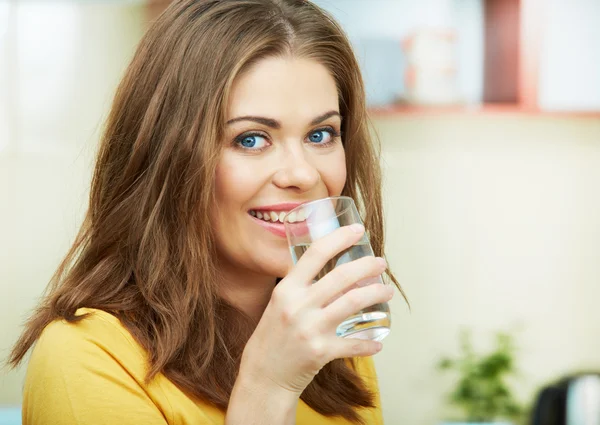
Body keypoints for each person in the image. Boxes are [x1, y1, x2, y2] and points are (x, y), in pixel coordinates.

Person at [8, 0, 406, 424]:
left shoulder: (325, 327)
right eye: (251, 139)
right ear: (169, 158)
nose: (302, 173)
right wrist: (268, 387)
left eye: (321, 133)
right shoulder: (86, 356)